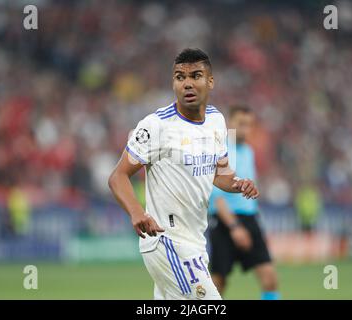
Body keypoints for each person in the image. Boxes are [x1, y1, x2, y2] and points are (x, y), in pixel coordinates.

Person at [108, 48, 259, 300]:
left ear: (210, 82)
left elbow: (220, 173)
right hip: (166, 240)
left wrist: (238, 184)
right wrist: (136, 212)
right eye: (180, 77)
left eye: (196, 76)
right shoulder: (156, 126)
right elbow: (117, 176)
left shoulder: (216, 120)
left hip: (195, 241)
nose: (187, 83)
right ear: (173, 82)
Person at [208, 106, 280, 300]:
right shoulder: (220, 149)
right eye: (241, 124)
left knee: (269, 278)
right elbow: (216, 196)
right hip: (225, 221)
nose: (246, 129)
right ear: (230, 124)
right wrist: (235, 227)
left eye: (249, 125)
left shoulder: (248, 150)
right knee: (218, 282)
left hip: (250, 219)